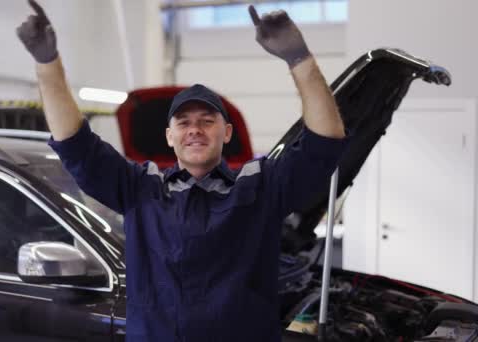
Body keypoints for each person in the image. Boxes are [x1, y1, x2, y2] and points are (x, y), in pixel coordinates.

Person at [17, 1, 346, 341]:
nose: (195, 129)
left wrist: (299, 58)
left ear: (227, 133)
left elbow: (325, 141)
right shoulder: (139, 189)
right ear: (169, 136)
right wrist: (47, 64)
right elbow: (74, 144)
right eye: (184, 122)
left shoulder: (262, 187)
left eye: (207, 121)